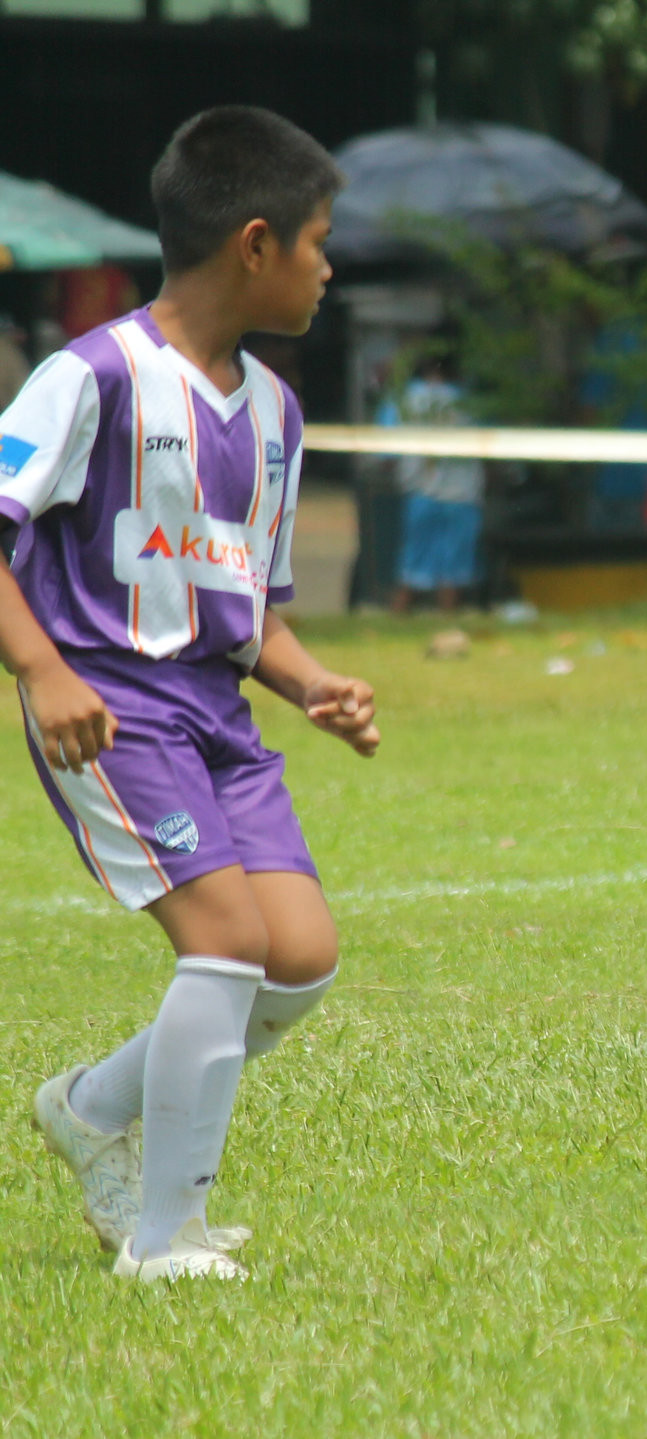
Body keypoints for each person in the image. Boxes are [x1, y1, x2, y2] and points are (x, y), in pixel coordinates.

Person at [2, 107, 379, 1282]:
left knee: (298, 959)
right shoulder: (91, 377)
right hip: (110, 707)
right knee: (225, 943)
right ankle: (166, 1238)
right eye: (319, 242)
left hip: (219, 717)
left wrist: (314, 683)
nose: (328, 268)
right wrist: (42, 669)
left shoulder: (275, 414)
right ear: (257, 244)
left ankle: (87, 1108)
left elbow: (250, 604)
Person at [380, 350, 484, 613]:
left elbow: (385, 454)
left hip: (420, 493)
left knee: (411, 564)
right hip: (462, 494)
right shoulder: (471, 402)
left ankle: (396, 615)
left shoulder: (401, 400)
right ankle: (447, 619)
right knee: (453, 570)